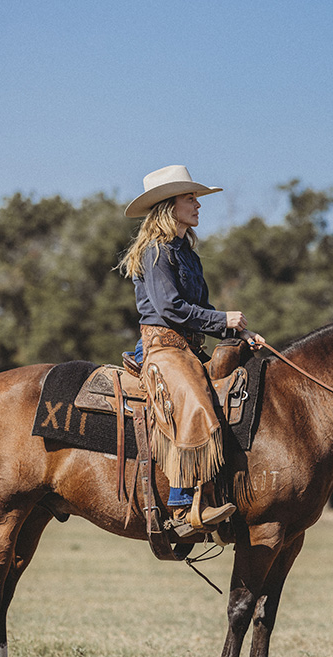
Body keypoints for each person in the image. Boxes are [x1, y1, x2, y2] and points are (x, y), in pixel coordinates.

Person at [117, 165, 266, 533]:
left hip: (188, 346)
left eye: (196, 198)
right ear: (170, 206)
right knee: (195, 400)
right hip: (162, 348)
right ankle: (182, 506)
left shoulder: (187, 253)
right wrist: (224, 321)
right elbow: (170, 308)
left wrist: (240, 333)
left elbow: (201, 311)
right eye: (190, 198)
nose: (198, 205)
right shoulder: (155, 252)